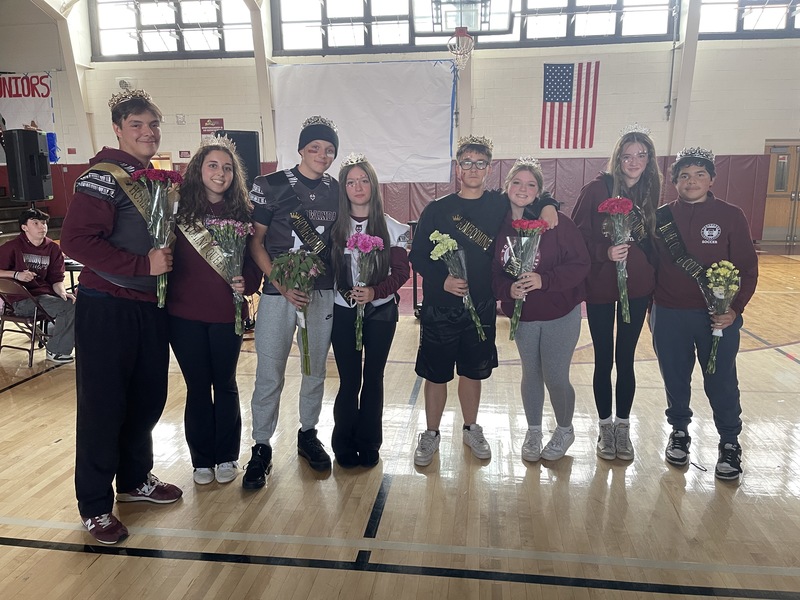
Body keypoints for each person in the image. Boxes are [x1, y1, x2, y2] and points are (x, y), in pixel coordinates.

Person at [60, 89, 182, 545]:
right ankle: (94, 505)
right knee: (102, 408)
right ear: (117, 128)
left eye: (153, 125)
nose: (147, 132)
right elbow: (74, 241)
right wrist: (140, 266)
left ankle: (134, 481)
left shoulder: (150, 178)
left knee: (147, 400)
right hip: (107, 305)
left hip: (148, 308)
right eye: (137, 125)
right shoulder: (103, 177)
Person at [409, 136, 559, 467]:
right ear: (457, 168)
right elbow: (418, 256)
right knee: (436, 375)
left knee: (472, 373)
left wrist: (550, 203)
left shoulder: (500, 204)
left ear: (489, 169)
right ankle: (431, 433)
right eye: (467, 162)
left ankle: (470, 427)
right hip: (440, 306)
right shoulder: (437, 209)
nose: (473, 168)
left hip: (483, 305)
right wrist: (442, 280)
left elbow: (531, 192)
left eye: (480, 163)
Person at [243, 115, 340, 488]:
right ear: (301, 149)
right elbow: (256, 242)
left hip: (320, 292)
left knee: (315, 370)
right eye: (315, 147)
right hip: (277, 293)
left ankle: (308, 434)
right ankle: (261, 446)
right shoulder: (271, 184)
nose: (322, 154)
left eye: (329, 149)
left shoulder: (336, 189)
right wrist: (281, 283)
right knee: (269, 373)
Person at [651, 147, 758, 480]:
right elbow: (648, 265)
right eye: (684, 176)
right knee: (675, 377)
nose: (691, 181)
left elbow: (747, 268)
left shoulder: (731, 215)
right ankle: (679, 431)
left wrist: (734, 309)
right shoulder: (660, 217)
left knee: (721, 379)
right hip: (669, 313)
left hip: (717, 317)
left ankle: (729, 442)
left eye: (699, 174)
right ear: (675, 183)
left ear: (712, 179)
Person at [167, 137, 262, 485]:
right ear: (198, 170)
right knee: (196, 387)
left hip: (227, 314)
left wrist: (247, 283)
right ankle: (200, 460)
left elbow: (254, 263)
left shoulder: (244, 213)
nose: (220, 173)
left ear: (234, 174)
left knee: (224, 384)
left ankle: (226, 456)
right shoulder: (178, 211)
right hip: (183, 315)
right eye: (212, 165)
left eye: (226, 167)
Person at [570, 126, 661, 461]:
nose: (633, 161)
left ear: (649, 159)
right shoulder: (597, 189)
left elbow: (653, 244)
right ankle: (604, 427)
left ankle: (623, 426)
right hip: (600, 289)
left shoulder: (651, 192)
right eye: (627, 155)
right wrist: (603, 253)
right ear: (618, 158)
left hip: (636, 290)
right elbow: (576, 239)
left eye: (640, 155)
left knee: (626, 358)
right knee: (603, 359)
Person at [492, 157, 590, 462]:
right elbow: (492, 270)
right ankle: (533, 430)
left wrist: (543, 280)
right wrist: (506, 290)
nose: (523, 189)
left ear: (539, 191)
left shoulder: (558, 222)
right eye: (517, 182)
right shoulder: (498, 224)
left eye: (531, 184)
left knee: (556, 376)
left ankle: (564, 429)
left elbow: (580, 265)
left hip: (560, 312)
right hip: (524, 316)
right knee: (531, 374)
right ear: (506, 186)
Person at [329, 153, 411, 469]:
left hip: (380, 314)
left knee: (373, 377)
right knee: (349, 380)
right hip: (343, 312)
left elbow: (401, 272)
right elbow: (327, 269)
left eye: (364, 180)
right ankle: (343, 442)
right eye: (351, 181)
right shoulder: (334, 227)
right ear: (344, 188)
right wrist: (347, 293)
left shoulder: (393, 228)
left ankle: (369, 442)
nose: (358, 186)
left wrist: (375, 292)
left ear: (373, 186)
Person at [0, 207, 76, 364]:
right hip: (20, 300)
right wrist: (16, 275)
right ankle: (56, 351)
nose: (42, 227)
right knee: (68, 308)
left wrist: (62, 293)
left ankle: (59, 340)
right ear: (24, 227)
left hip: (44, 296)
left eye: (44, 223)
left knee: (73, 302)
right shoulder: (12, 246)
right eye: (36, 223)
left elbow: (56, 278)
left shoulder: (53, 248)